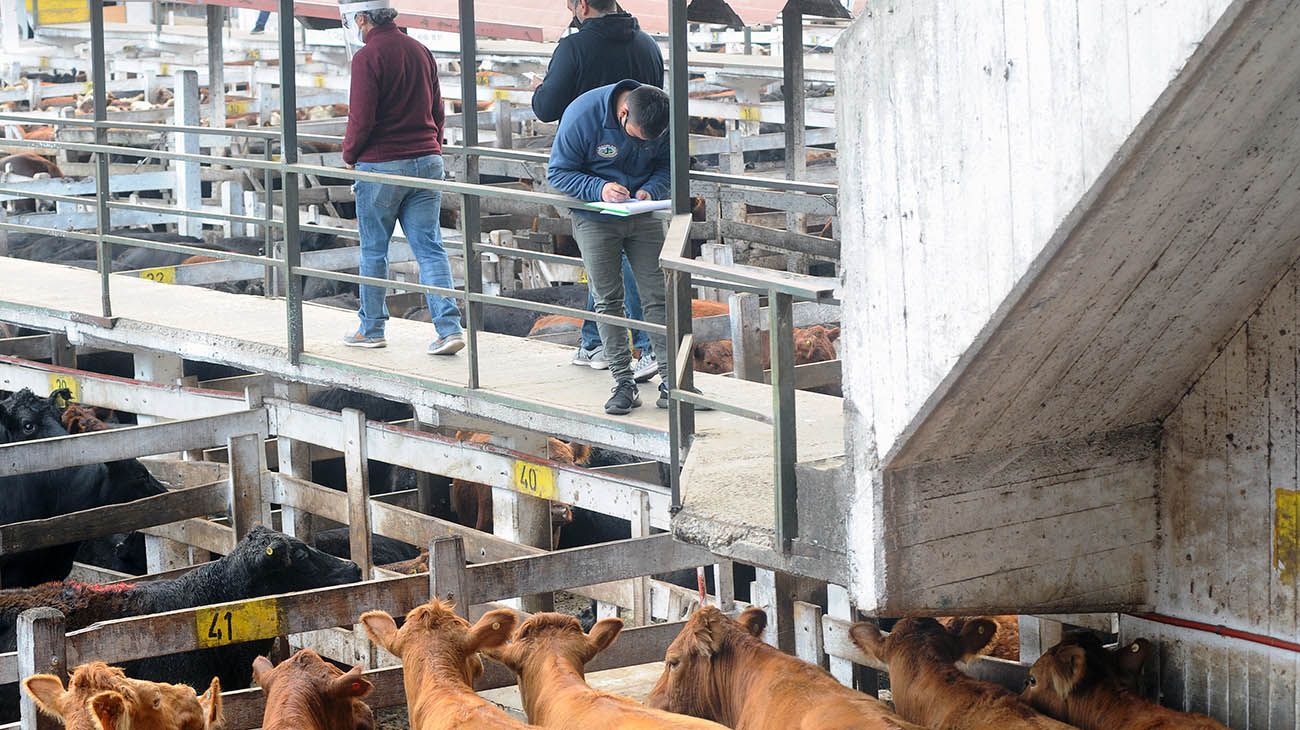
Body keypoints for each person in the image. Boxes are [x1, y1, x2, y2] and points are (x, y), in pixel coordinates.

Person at [533, 0, 663, 382]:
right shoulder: (648, 45)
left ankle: (643, 344)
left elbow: (546, 107)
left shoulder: (574, 48)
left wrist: (540, 89)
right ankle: (595, 340)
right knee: (611, 264)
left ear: (583, 6)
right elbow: (657, 109)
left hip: (593, 172)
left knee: (613, 263)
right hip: (638, 173)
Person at [549, 81, 697, 415]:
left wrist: (650, 189)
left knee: (659, 294)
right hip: (595, 215)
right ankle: (623, 381)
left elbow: (670, 164)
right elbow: (558, 173)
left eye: (649, 141)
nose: (640, 144)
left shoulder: (661, 121)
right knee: (608, 298)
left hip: (641, 213)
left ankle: (672, 381)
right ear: (623, 112)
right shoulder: (582, 116)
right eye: (635, 136)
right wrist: (598, 188)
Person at [339, 0, 464, 355]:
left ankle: (372, 328)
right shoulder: (420, 50)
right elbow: (438, 108)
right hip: (426, 161)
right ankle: (448, 328)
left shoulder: (367, 57)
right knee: (430, 248)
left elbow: (361, 118)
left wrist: (349, 154)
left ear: (362, 19)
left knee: (374, 249)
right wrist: (432, 146)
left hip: (382, 166)